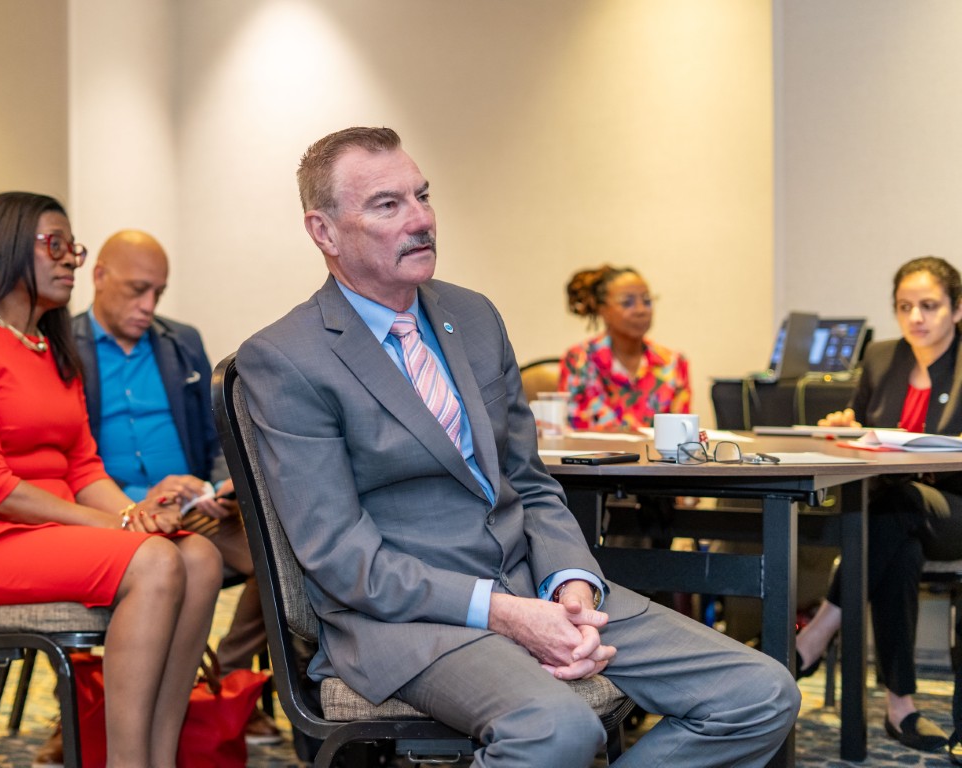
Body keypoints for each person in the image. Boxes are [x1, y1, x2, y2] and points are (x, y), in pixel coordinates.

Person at [235, 126, 799, 766]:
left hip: (536, 586)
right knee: (557, 731)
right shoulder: (287, 357)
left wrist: (571, 581)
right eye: (388, 205)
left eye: (423, 196)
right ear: (325, 232)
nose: (421, 219)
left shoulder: (473, 316)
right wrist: (501, 612)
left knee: (760, 693)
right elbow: (341, 557)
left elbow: (528, 481)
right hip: (407, 622)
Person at [0, 192, 221, 768]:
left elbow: (83, 467)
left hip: (35, 532)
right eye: (54, 245)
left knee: (201, 556)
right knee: (155, 561)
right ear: (4, 246)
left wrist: (134, 515)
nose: (69, 261)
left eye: (72, 249)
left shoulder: (49, 346)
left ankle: (159, 758)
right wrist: (119, 525)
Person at [72, 229, 280, 744]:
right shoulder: (64, 347)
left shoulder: (180, 342)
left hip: (190, 507)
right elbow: (64, 457)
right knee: (143, 575)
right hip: (110, 513)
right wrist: (129, 505)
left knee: (283, 551)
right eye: (137, 290)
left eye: (158, 293)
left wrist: (220, 485)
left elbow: (216, 435)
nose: (149, 306)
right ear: (99, 276)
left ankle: (222, 679)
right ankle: (84, 709)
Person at [795, 255, 962, 757]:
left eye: (929, 305)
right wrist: (848, 427)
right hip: (895, 510)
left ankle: (817, 632)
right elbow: (868, 431)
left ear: (957, 310)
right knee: (897, 544)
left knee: (894, 508)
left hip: (954, 510)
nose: (916, 317)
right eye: (904, 306)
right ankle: (900, 707)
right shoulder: (882, 357)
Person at [559, 265, 690, 432]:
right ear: (603, 310)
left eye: (647, 301)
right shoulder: (579, 360)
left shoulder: (673, 362)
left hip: (656, 451)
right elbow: (573, 428)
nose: (641, 310)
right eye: (627, 303)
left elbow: (682, 431)